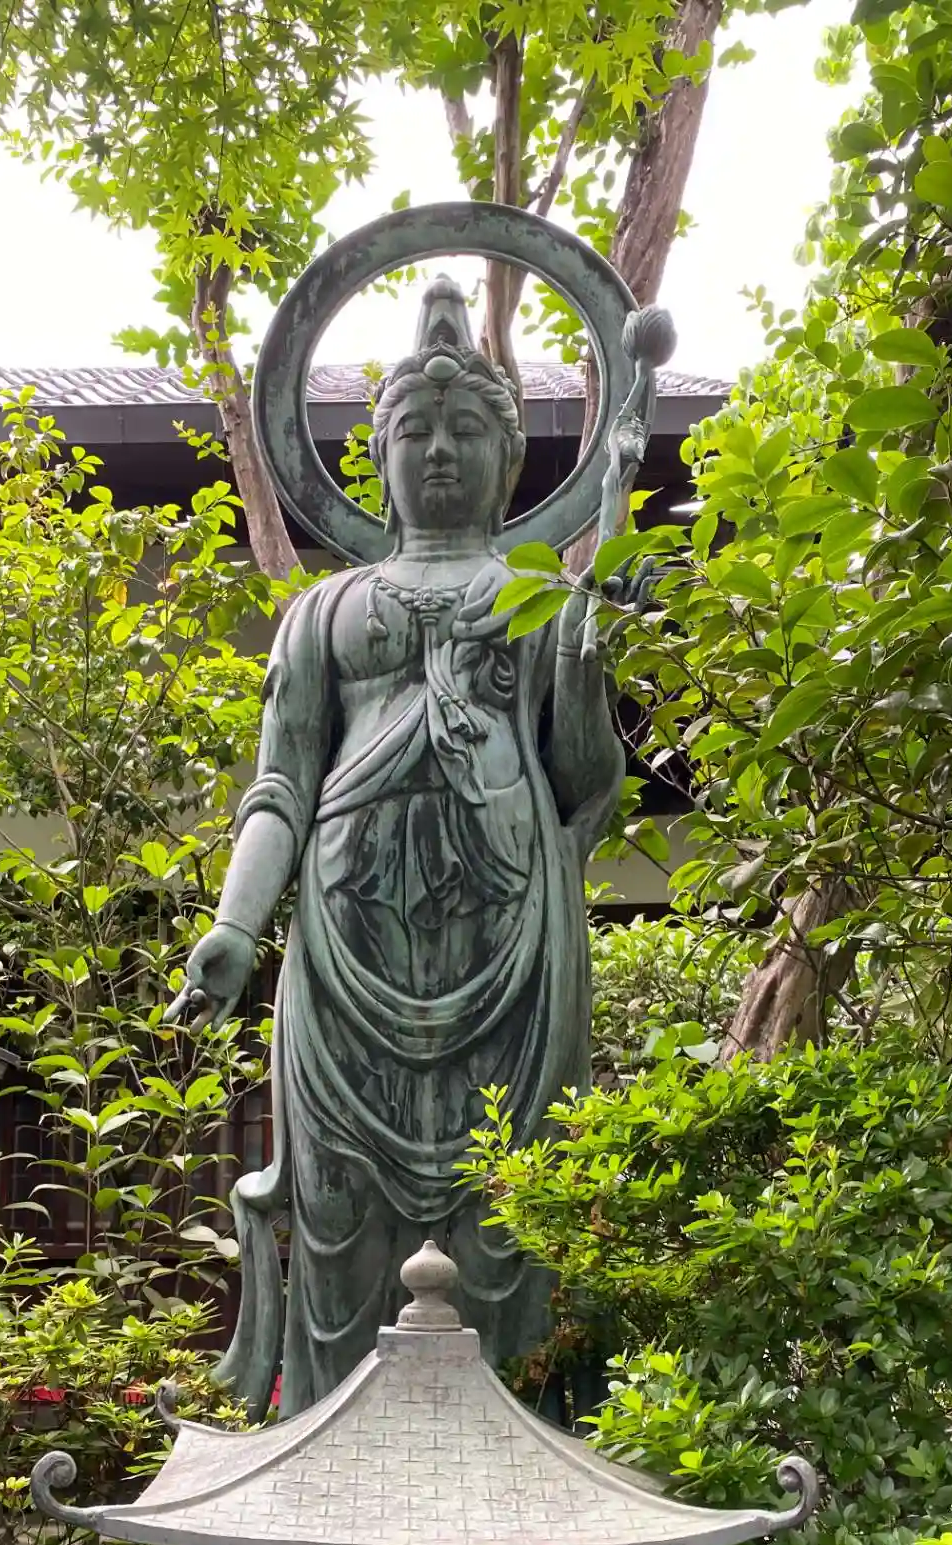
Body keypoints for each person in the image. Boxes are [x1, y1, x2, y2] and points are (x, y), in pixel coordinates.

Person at [173, 276, 625, 1417]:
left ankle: (525, 1457)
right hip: (347, 943)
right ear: (377, 455)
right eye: (415, 428)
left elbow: (580, 782)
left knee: (511, 1211)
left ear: (509, 458)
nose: (439, 451)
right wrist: (236, 925)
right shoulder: (325, 612)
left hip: (512, 940)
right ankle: (332, 1459)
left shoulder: (540, 600)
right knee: (340, 1220)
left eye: (466, 428)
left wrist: (585, 652)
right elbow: (281, 785)